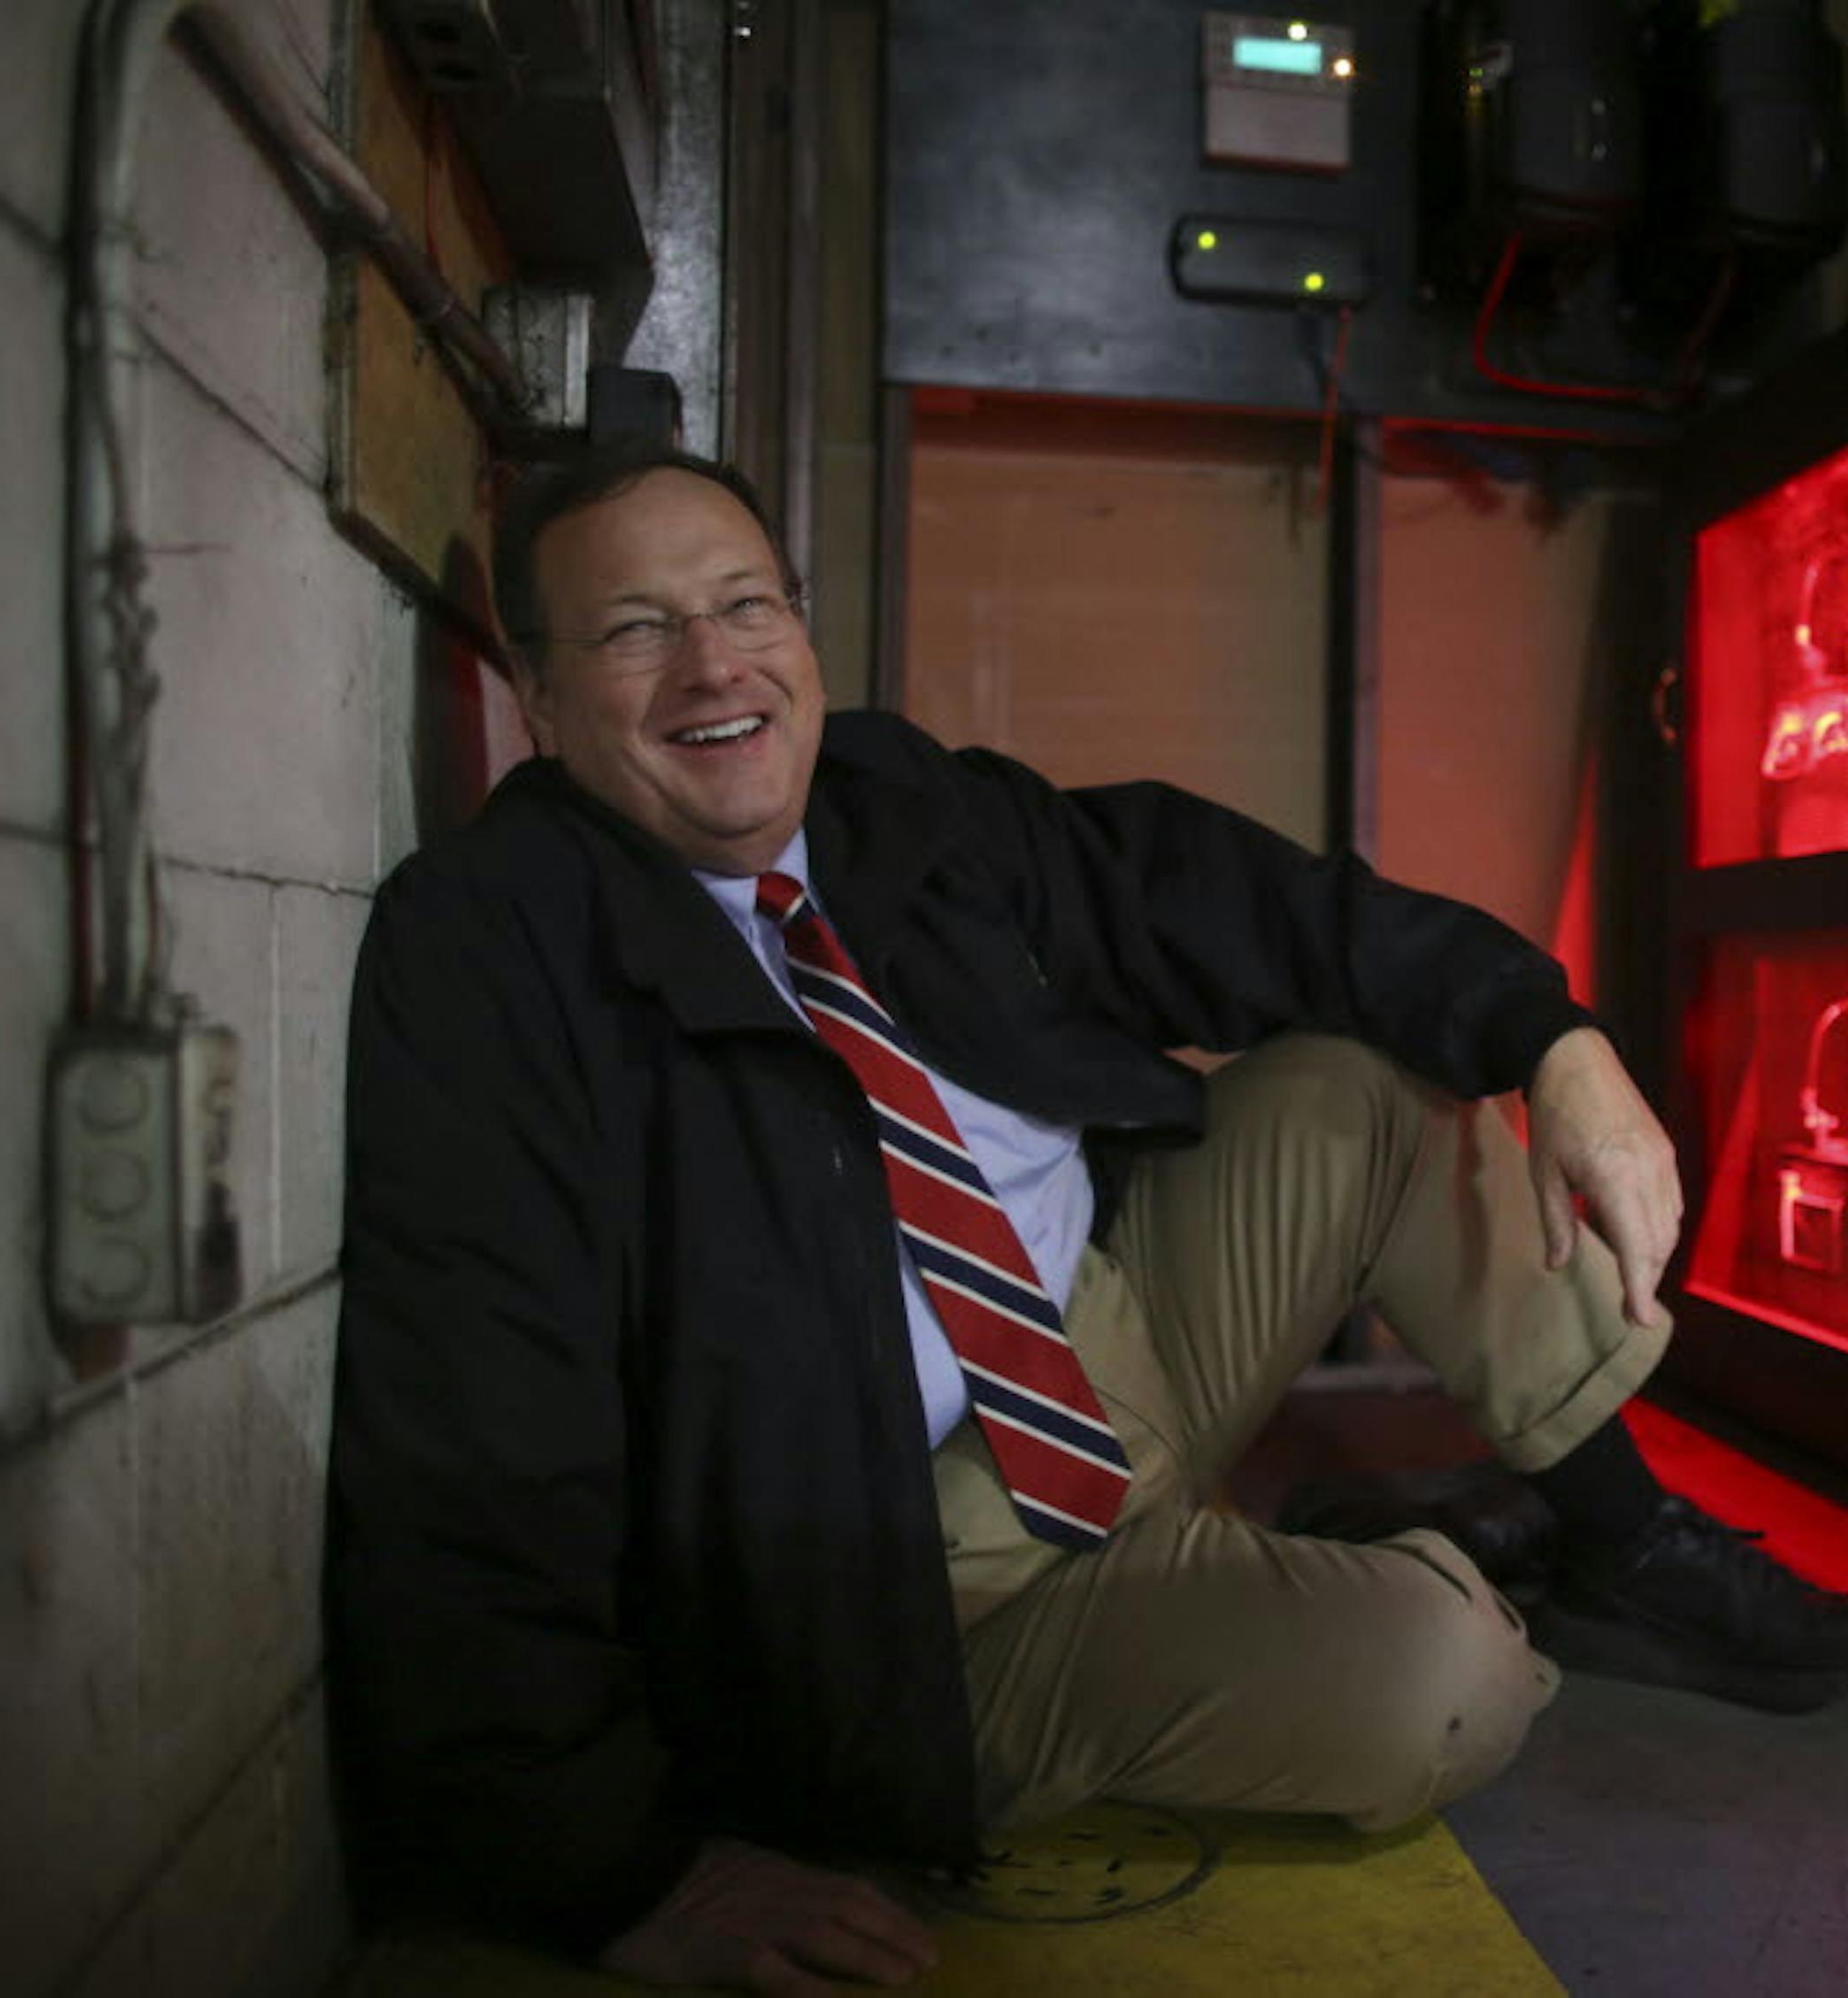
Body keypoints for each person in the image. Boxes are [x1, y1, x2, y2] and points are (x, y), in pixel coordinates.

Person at [327, 440, 1848, 1996]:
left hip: (1119, 1337)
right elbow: (474, 1433)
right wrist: (613, 1864)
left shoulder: (900, 804)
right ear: (538, 691)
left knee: (1365, 1086)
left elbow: (1249, 900)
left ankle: (1615, 1536)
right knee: (1448, 1685)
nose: (713, 664)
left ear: (801, 626)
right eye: (637, 629)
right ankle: (1392, 1567)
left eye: (744, 604)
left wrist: (1556, 1039)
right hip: (910, 1579)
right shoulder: (494, 950)